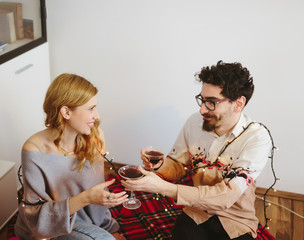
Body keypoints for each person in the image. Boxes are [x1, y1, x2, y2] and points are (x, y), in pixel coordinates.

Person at [122, 61, 272, 240]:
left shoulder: (257, 138)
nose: (202, 109)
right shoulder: (195, 123)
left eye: (212, 102)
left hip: (236, 220)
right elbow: (178, 167)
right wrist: (161, 165)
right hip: (196, 212)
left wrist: (163, 188)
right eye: (202, 100)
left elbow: (225, 197)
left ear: (238, 103)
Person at [14, 73, 128, 240]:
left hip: (88, 224)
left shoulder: (96, 137)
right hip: (52, 227)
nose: (97, 116)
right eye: (90, 109)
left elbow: (97, 192)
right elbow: (34, 215)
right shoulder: (35, 149)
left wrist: (108, 228)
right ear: (66, 112)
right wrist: (87, 198)